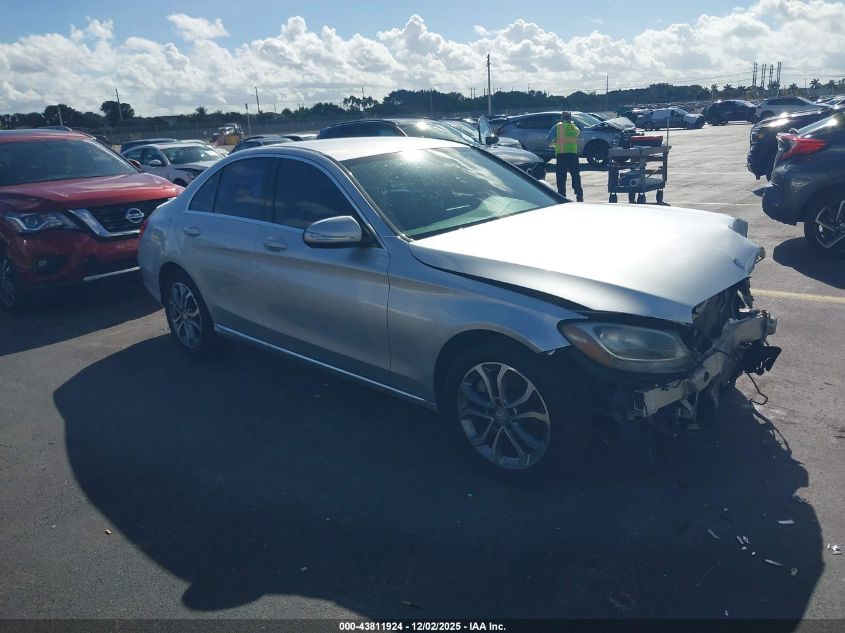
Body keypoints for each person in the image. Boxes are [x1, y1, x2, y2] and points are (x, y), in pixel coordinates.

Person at [546, 112, 583, 201]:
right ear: (570, 118)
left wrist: (553, 144)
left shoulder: (558, 126)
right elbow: (578, 134)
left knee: (561, 177)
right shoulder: (574, 128)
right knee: (575, 175)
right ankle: (579, 194)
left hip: (561, 154)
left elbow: (548, 139)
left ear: (562, 118)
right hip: (573, 154)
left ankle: (562, 196)